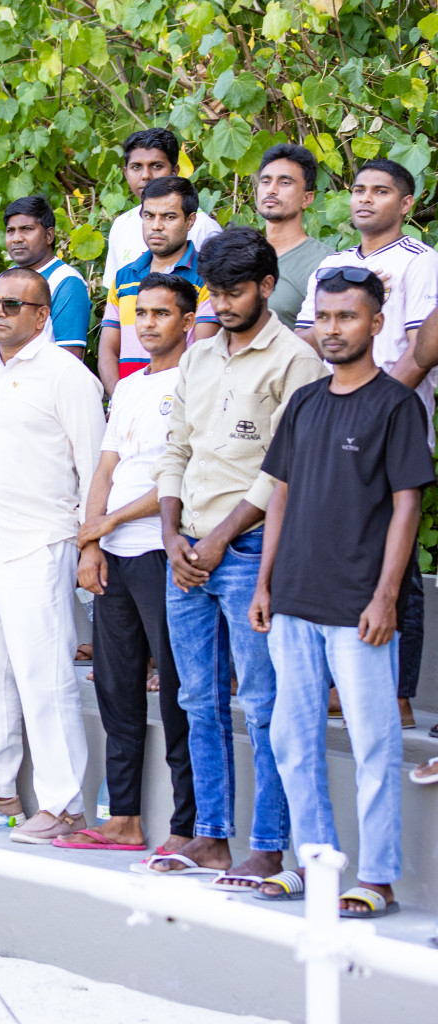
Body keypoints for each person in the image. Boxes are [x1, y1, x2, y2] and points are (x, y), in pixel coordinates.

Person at [249, 268, 432, 918]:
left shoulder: (396, 405)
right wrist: (265, 581)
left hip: (359, 609)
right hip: (294, 601)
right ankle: (313, 863)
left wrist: (386, 597)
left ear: (375, 324)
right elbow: (280, 495)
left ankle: (377, 878)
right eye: (324, 317)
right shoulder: (305, 402)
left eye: (346, 317)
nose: (332, 329)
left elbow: (406, 506)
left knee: (374, 743)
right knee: (291, 743)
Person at [149, 227, 328, 885]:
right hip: (186, 549)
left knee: (263, 700)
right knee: (198, 699)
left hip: (250, 550)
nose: (221, 304)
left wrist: (219, 538)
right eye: (214, 291)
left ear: (265, 286)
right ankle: (210, 837)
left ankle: (271, 846)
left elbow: (282, 473)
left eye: (233, 291)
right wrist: (172, 536)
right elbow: (176, 451)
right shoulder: (196, 358)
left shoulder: (297, 362)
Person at [0, 268, 105, 843]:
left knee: (45, 676)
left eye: (15, 304)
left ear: (42, 316)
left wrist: (90, 546)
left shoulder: (69, 377)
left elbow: (93, 469)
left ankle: (65, 805)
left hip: (43, 541)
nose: (0, 312)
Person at [60, 273, 197, 856]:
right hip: (114, 556)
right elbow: (106, 468)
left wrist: (109, 525)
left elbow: (181, 476)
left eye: (161, 314)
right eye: (140, 313)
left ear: (188, 322)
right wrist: (92, 542)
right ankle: (124, 820)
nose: (146, 324)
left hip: (160, 552)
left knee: (177, 695)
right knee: (116, 690)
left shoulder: (197, 381)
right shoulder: (132, 387)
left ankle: (188, 829)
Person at [302, 159, 438, 732]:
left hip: (392, 418)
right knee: (345, 546)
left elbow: (421, 348)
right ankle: (345, 680)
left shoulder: (421, 262)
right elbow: (312, 340)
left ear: (405, 204)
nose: (366, 199)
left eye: (381, 192)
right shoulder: (334, 265)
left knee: (394, 556)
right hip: (332, 417)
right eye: (359, 189)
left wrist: (374, 405)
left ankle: (400, 693)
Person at [97, 176, 220, 393]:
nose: (156, 226)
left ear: (190, 221)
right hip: (127, 402)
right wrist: (120, 399)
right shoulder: (124, 278)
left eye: (169, 217)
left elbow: (204, 355)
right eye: (148, 216)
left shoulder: (207, 276)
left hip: (180, 402)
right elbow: (108, 350)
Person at [102, 128, 222, 291]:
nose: (145, 175)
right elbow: (114, 294)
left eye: (156, 166)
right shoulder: (121, 225)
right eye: (136, 167)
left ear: (175, 171)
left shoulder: (203, 226)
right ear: (125, 172)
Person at [4, 195, 91, 358]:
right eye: (11, 231)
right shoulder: (1, 281)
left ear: (49, 235)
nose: (16, 238)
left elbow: (70, 357)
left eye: (27, 229)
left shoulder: (66, 282)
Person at [257, 144, 333, 329]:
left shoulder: (325, 264)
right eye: (266, 181)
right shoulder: (242, 253)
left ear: (307, 198)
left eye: (284, 183)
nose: (271, 190)